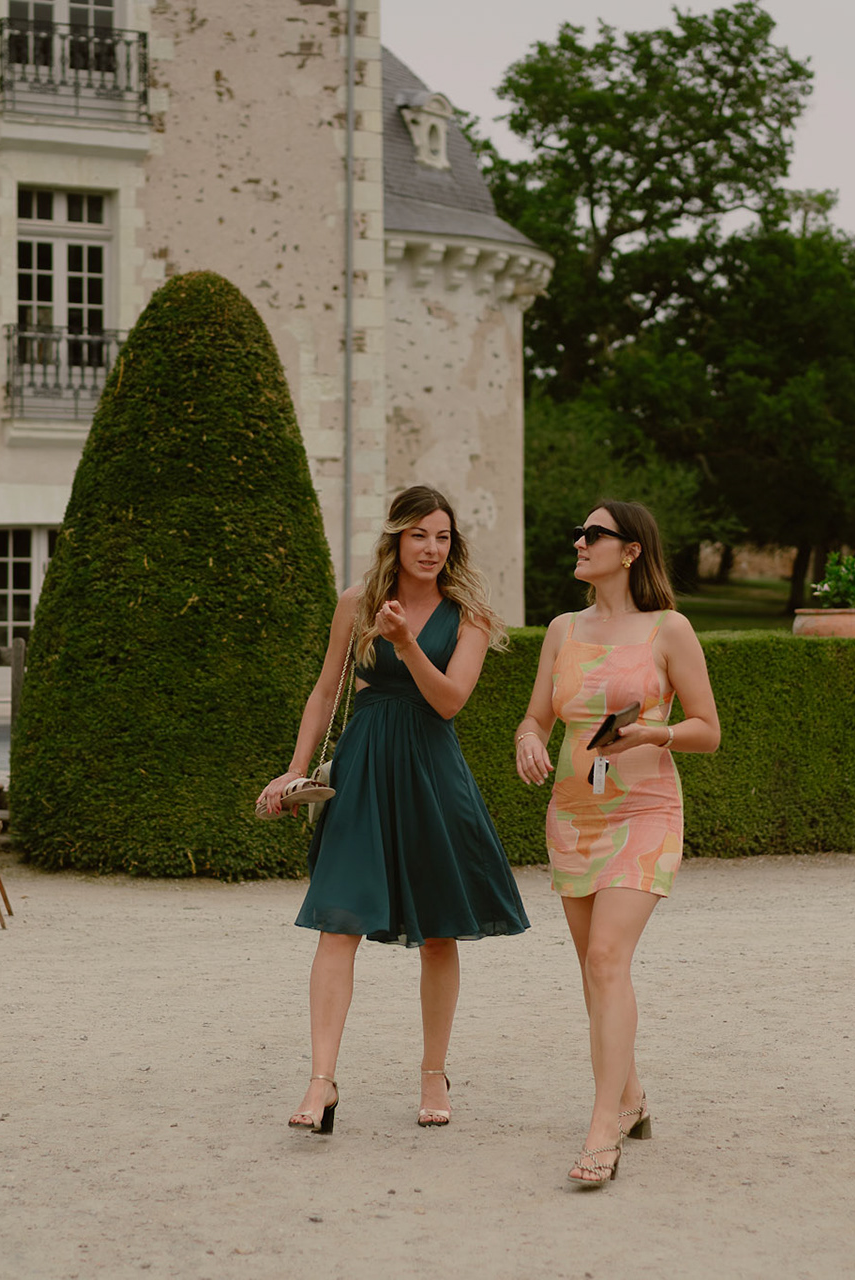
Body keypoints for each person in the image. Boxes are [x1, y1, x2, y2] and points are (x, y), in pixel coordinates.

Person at [259, 486, 530, 1135]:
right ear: (396, 539)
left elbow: (450, 702)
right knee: (337, 921)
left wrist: (407, 643)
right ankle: (321, 1081)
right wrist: (295, 769)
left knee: (438, 932)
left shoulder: (470, 615)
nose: (432, 548)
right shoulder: (356, 603)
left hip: (432, 773)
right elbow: (326, 690)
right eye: (419, 535)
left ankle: (434, 1073)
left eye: (442, 536)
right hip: (364, 768)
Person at [512, 501, 721, 1186]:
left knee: (606, 957)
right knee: (595, 967)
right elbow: (536, 716)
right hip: (573, 816)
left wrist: (655, 732)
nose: (579, 541)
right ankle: (630, 1098)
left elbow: (708, 729)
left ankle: (604, 1128)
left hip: (645, 812)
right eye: (579, 532)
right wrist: (527, 740)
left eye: (593, 534)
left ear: (631, 551)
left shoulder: (669, 629)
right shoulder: (562, 629)